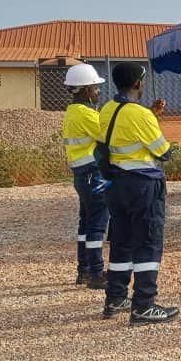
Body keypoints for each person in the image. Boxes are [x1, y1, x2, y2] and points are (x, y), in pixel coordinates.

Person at [99, 62, 178, 325]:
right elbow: (163, 151)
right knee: (147, 242)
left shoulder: (107, 109)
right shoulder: (140, 114)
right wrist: (153, 122)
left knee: (121, 241)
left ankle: (116, 297)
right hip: (143, 185)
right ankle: (144, 304)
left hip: (116, 185)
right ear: (137, 83)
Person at [62, 63, 110, 290]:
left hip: (81, 174)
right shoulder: (86, 114)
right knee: (98, 224)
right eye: (95, 88)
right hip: (93, 173)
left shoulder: (72, 111)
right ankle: (96, 273)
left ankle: (83, 270)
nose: (98, 91)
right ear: (84, 90)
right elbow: (107, 136)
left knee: (86, 222)